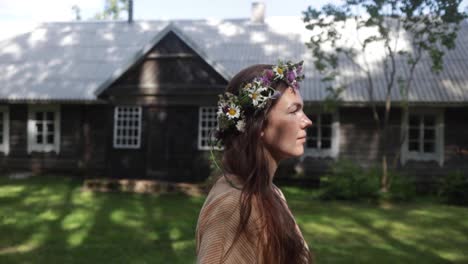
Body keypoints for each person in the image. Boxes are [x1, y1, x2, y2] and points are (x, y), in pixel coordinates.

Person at [196, 61, 314, 264]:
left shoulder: (269, 192)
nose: (307, 121)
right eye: (294, 111)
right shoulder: (233, 208)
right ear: (258, 125)